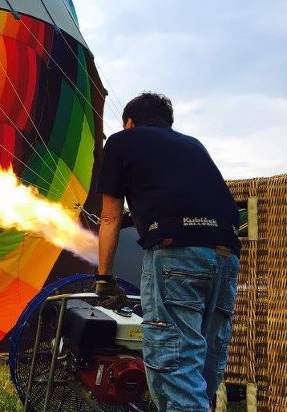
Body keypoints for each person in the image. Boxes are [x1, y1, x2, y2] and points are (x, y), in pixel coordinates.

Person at [93, 92, 241, 411]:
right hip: (225, 255)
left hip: (176, 253)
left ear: (129, 122)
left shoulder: (121, 141)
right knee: (203, 368)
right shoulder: (193, 145)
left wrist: (104, 277)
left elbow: (108, 217)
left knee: (175, 369)